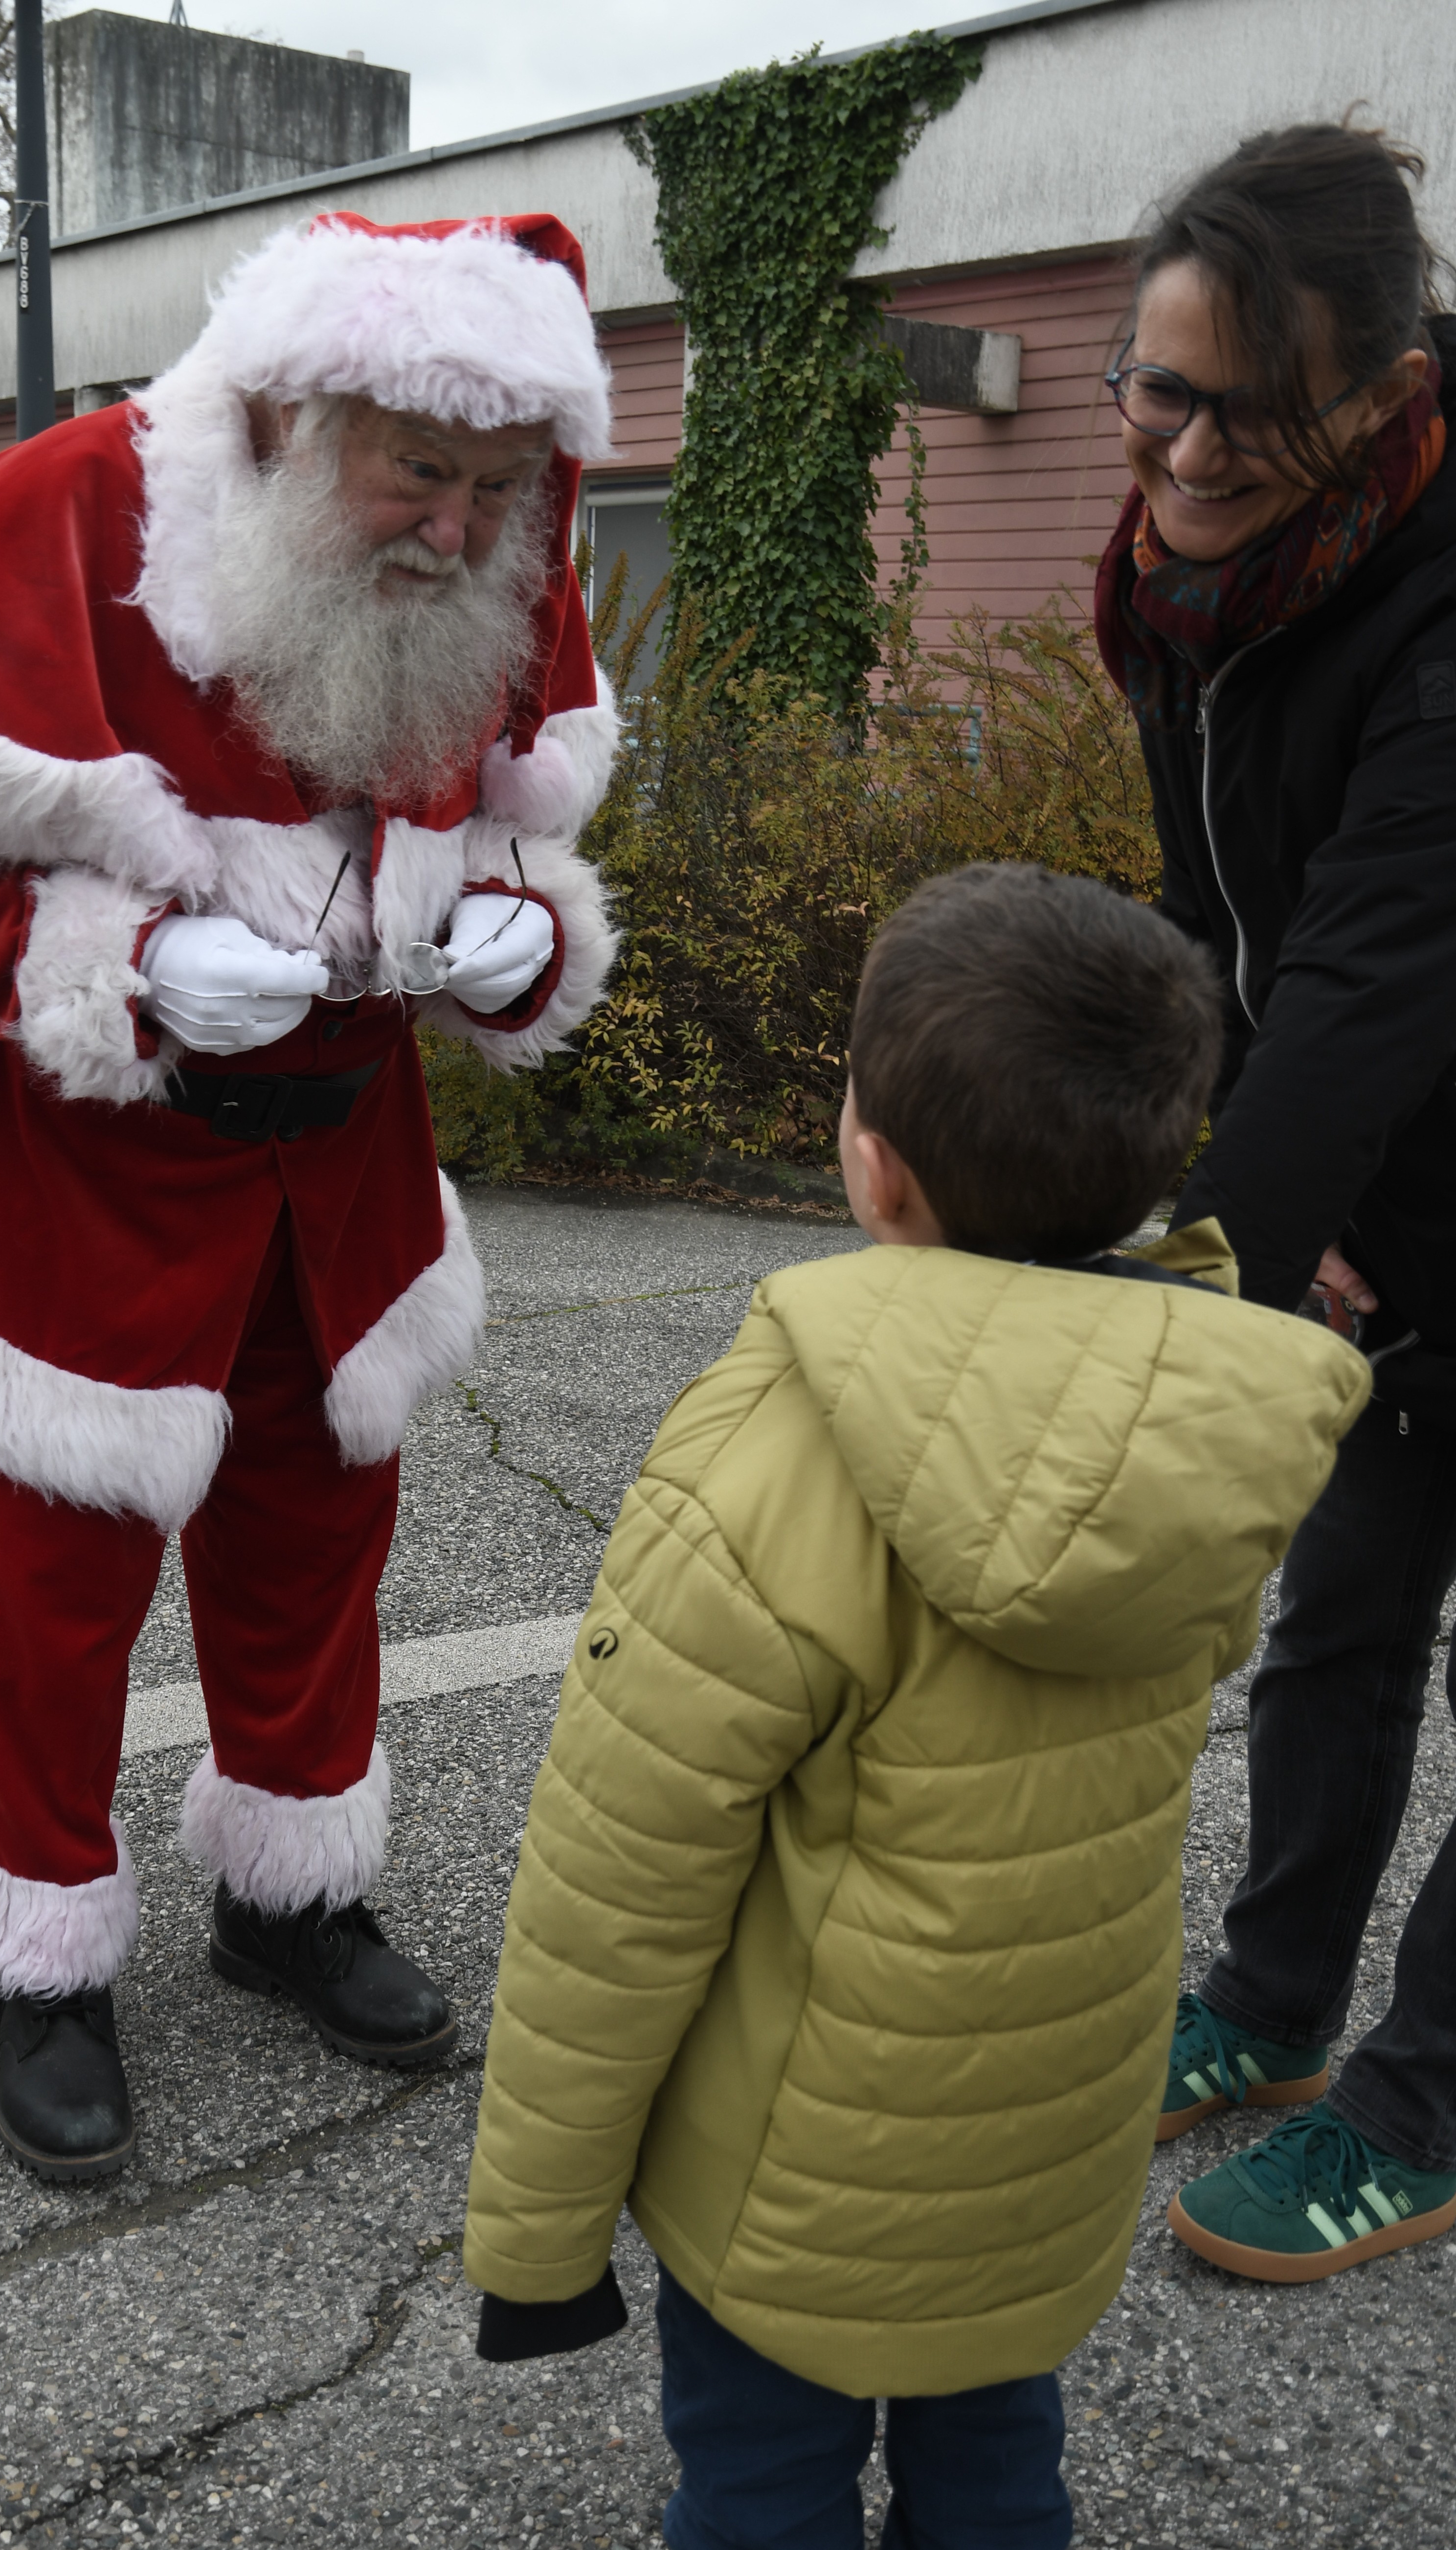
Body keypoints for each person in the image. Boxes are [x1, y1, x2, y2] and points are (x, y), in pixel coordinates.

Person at [0, 213, 621, 2181]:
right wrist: (112, 964)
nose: (467, 535)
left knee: (315, 1548)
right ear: (298, 413)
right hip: (77, 1179)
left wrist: (513, 934)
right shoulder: (63, 512)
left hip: (346, 1173)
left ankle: (285, 1896)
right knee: (38, 1591)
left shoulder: (492, 559)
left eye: (497, 489)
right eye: (423, 477)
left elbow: (526, 823)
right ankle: (39, 1953)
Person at [460, 863, 1367, 2549]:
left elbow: (618, 1892)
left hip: (786, 2199)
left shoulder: (765, 1459)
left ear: (871, 1164)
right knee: (997, 2478)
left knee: (761, 2489)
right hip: (1039, 2169)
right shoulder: (1205, 1437)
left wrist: (537, 2243)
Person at [1093, 123, 1456, 2282]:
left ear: (1386, 395)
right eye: (1162, 388)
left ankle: (1420, 2100)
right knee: (1338, 1616)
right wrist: (1282, 1206)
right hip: (1401, 1183)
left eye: (1256, 404)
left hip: (1415, 1104)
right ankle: (1277, 2000)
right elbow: (1219, 929)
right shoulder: (1186, 588)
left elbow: (1378, 964)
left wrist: (1185, 1301)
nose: (1193, 447)